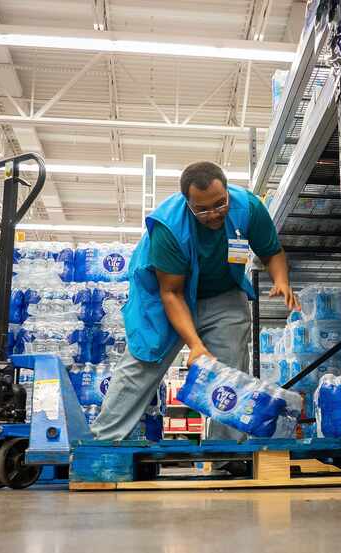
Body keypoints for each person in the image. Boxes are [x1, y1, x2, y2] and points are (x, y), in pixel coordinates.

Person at [92, 161, 299, 467]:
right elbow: (172, 293)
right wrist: (196, 345)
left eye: (220, 204)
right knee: (142, 363)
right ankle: (102, 448)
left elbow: (271, 251)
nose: (214, 214)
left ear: (227, 191)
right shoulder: (168, 227)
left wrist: (281, 280)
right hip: (167, 297)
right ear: (188, 204)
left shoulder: (248, 208)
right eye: (203, 209)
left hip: (222, 293)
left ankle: (225, 455)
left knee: (231, 369)